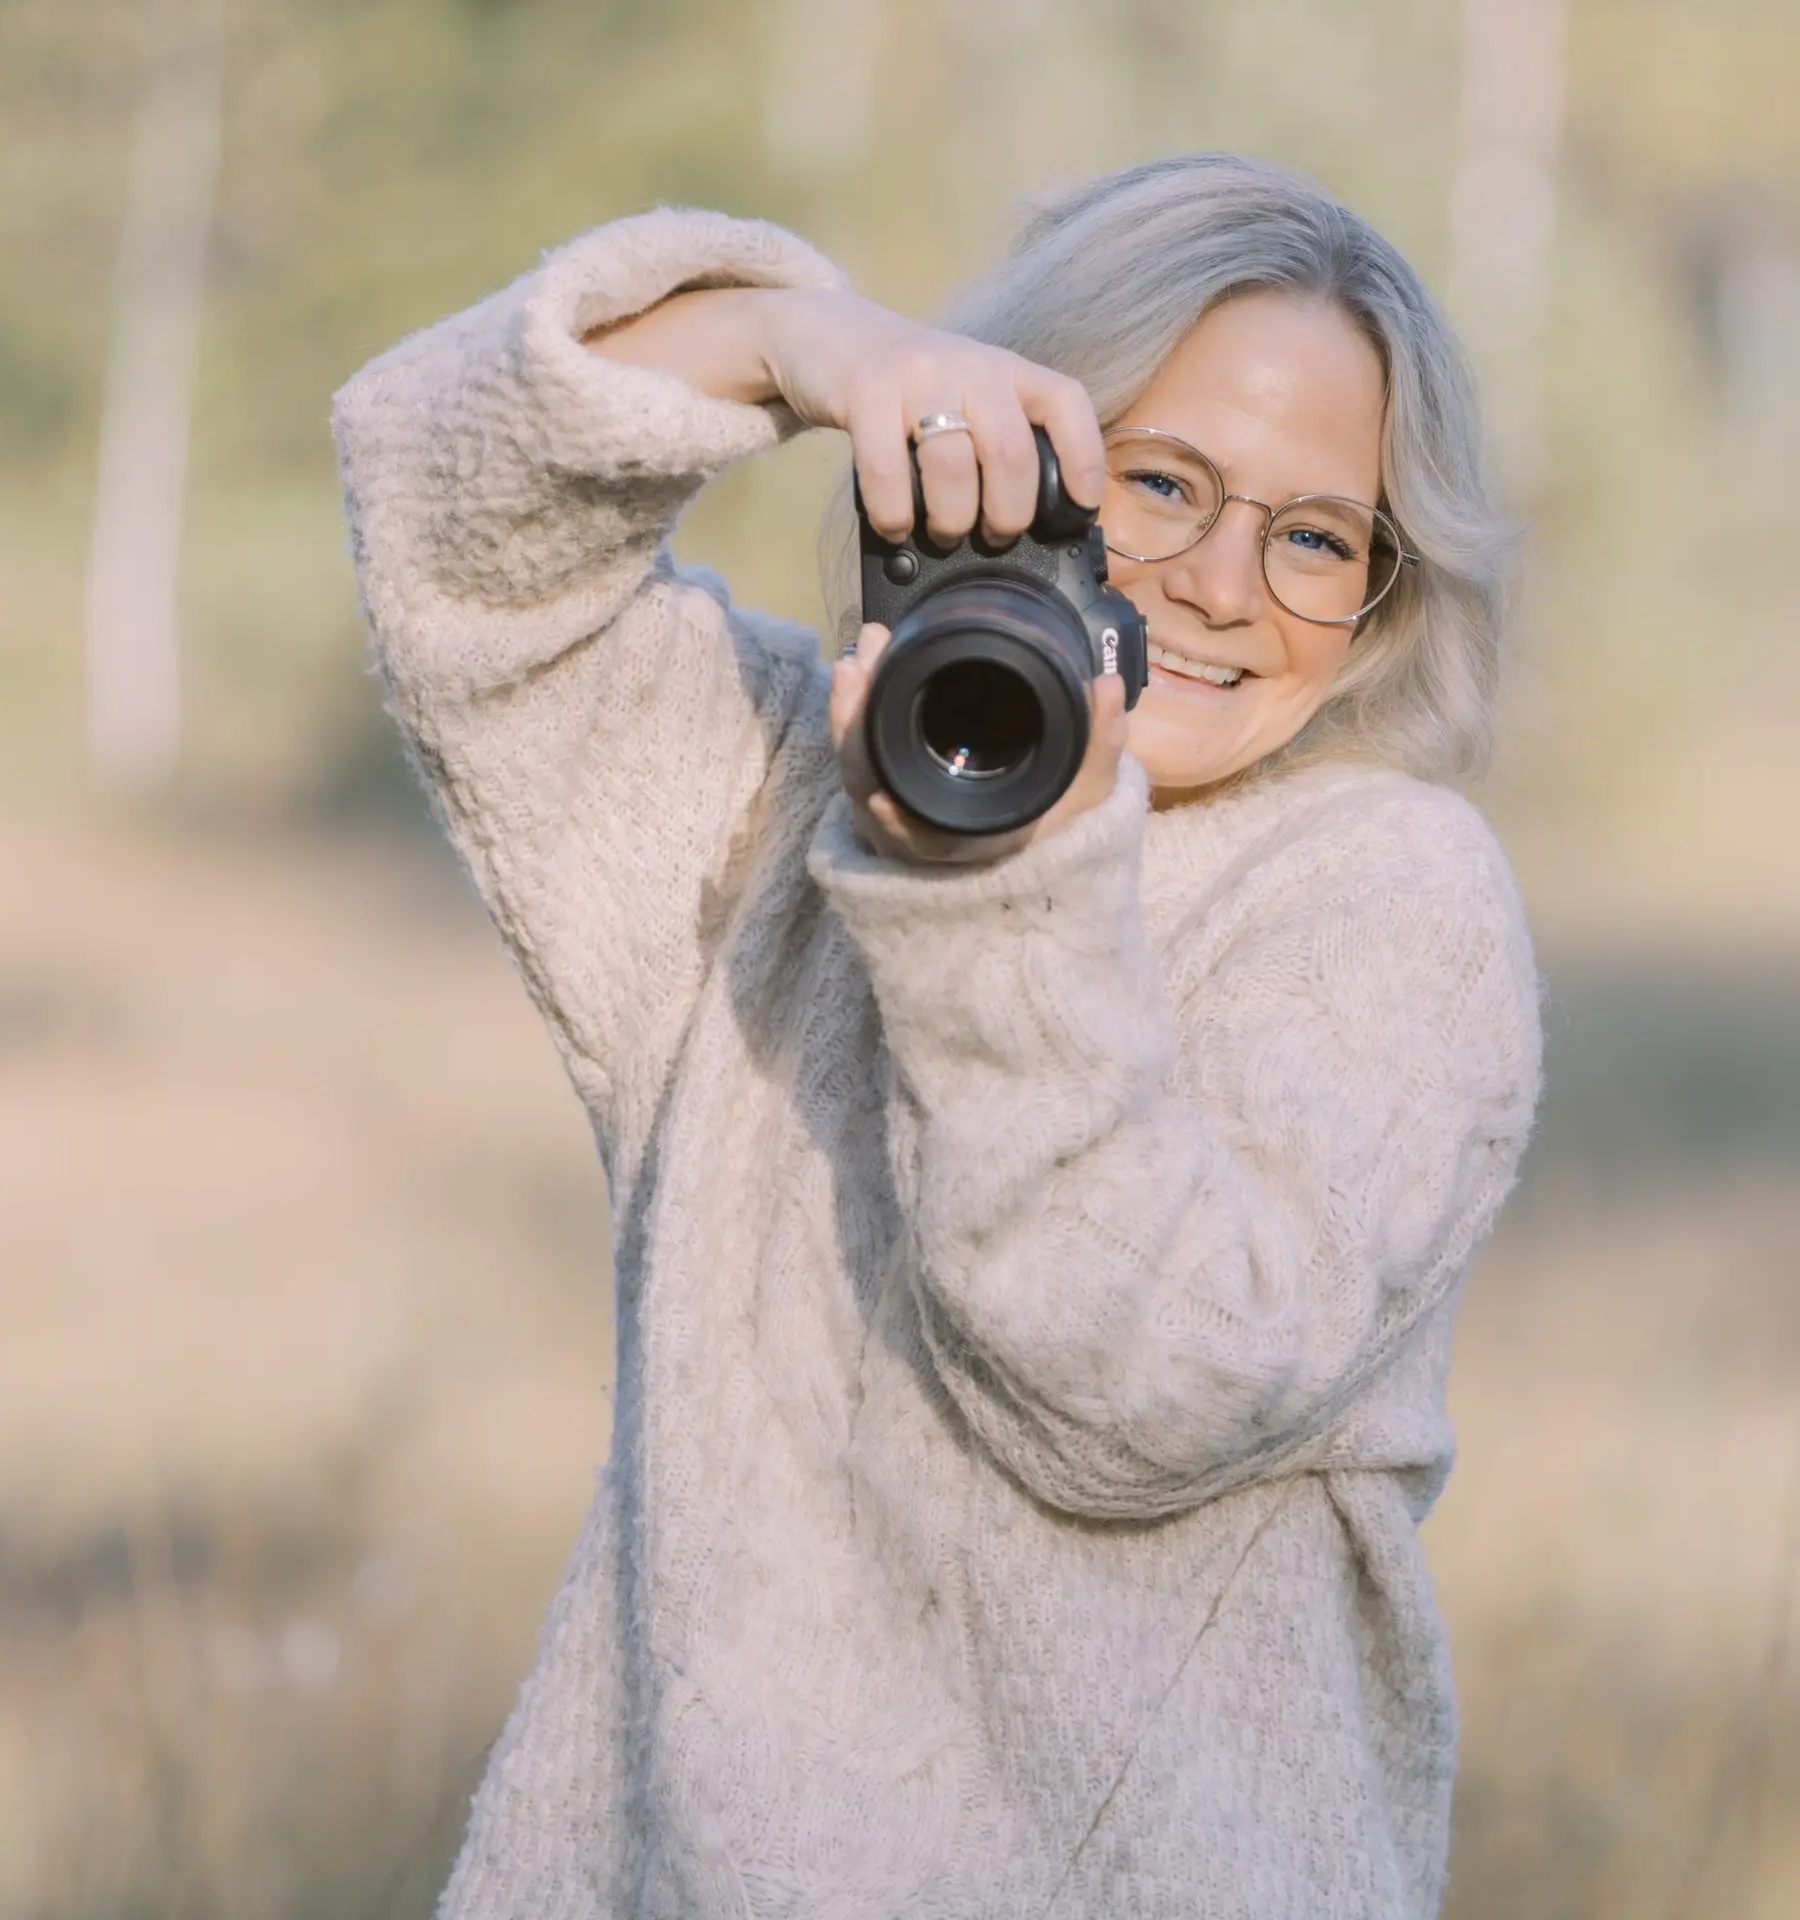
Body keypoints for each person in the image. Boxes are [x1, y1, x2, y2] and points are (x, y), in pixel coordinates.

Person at [333, 151, 1544, 1920]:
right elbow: (445, 520)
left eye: (1311, 536)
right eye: (1160, 480)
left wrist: (996, 896)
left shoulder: (1387, 895)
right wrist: (791, 340)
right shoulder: (774, 804)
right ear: (1011, 463)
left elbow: (1142, 1386)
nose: (1219, 582)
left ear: (1385, 593)